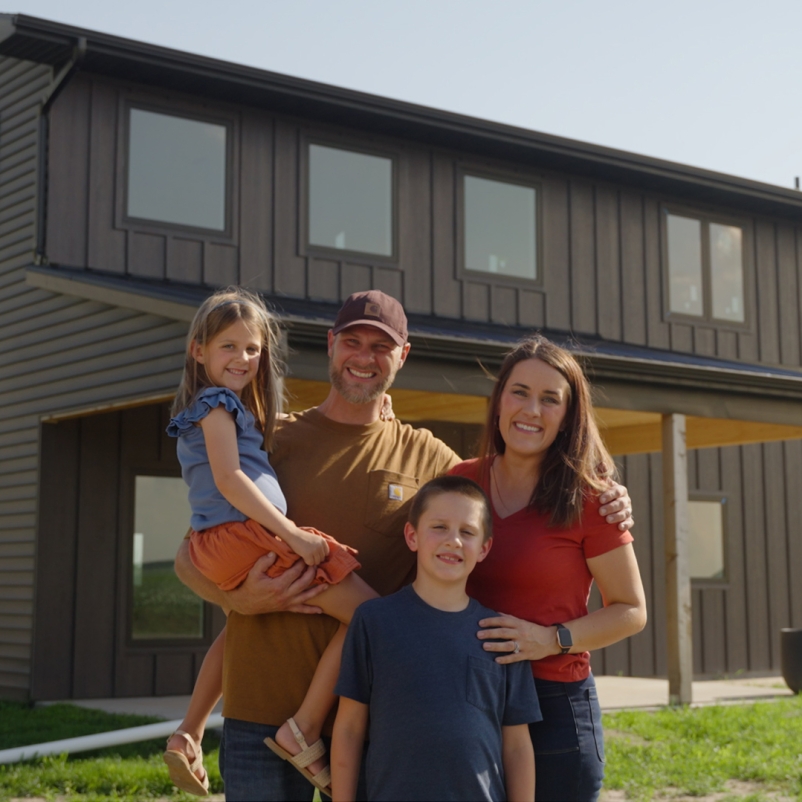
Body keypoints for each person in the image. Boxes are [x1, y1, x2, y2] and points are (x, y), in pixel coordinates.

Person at [174, 289, 635, 801]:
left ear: (403, 356)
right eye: (353, 341)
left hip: (374, 716)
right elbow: (194, 550)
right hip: (259, 708)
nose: (365, 357)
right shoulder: (265, 439)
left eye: (382, 346)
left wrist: (606, 490)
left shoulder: (434, 460)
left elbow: (516, 473)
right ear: (331, 345)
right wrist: (235, 599)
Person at [162, 287, 379, 797]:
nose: (243, 358)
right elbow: (231, 479)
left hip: (221, 538)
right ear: (198, 350)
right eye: (228, 347)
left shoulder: (229, 409)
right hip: (245, 533)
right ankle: (303, 729)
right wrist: (293, 535)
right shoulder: (216, 405)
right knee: (373, 616)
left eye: (253, 349)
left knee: (240, 620)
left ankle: (188, 730)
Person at [449, 334, 648, 802]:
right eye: (519, 392)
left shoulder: (591, 498)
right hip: (467, 698)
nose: (531, 410)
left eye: (549, 399)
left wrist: (550, 639)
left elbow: (631, 609)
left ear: (566, 418)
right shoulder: (458, 482)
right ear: (499, 401)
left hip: (554, 708)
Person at [332, 475, 541, 802]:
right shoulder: (374, 622)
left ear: (484, 548)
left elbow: (516, 745)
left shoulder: (502, 632)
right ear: (412, 536)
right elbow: (348, 729)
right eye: (439, 527)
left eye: (467, 532)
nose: (453, 541)